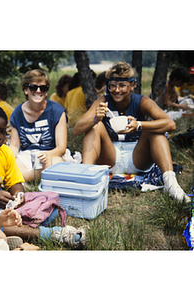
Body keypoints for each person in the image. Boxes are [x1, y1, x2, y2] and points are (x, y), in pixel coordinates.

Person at [0, 104, 84, 247]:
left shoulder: (5, 152)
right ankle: (51, 234)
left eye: (3, 132)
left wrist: (18, 196)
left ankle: (7, 235)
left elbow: (15, 184)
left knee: (48, 207)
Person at [74, 61, 190, 203]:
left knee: (156, 131)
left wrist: (140, 125)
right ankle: (86, 181)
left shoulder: (141, 101)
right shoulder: (103, 101)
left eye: (122, 85)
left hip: (137, 156)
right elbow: (77, 129)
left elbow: (170, 124)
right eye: (112, 85)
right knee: (94, 127)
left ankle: (171, 184)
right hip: (111, 155)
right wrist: (95, 118)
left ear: (132, 85)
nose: (117, 90)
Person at [9, 69, 67, 182]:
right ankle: (35, 177)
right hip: (26, 155)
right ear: (26, 90)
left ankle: (23, 179)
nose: (38, 91)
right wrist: (6, 158)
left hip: (50, 154)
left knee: (56, 163)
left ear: (46, 92)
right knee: (10, 164)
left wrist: (48, 154)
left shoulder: (57, 111)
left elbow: (61, 148)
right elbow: (15, 146)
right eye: (33, 87)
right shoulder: (17, 112)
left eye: (43, 88)